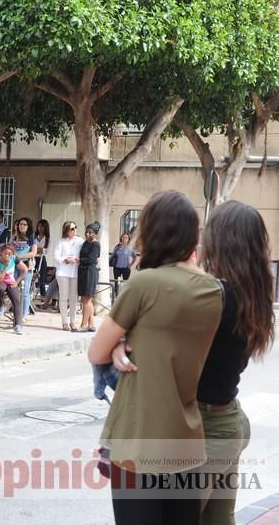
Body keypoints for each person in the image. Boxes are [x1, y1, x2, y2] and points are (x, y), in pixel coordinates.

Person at [113, 200, 275, 525]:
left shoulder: (213, 297)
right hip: (228, 421)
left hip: (205, 430)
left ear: (220, 242)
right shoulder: (250, 295)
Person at [88, 190, 224, 525]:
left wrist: (119, 344)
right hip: (187, 441)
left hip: (139, 441)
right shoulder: (213, 291)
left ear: (151, 232)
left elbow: (96, 351)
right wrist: (125, 340)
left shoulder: (144, 284)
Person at [0, 244, 28, 334]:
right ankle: (1, 304)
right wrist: (5, 267)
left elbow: (25, 269)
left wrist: (17, 282)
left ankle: (17, 324)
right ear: (1, 253)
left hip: (10, 282)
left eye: (9, 254)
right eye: (5, 253)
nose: (7, 255)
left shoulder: (14, 259)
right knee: (0, 287)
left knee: (16, 299)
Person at [54, 220, 82, 331]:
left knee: (73, 298)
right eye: (72, 229)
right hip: (63, 272)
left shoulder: (80, 241)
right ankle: (64, 322)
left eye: (75, 227)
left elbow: (84, 253)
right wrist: (65, 260)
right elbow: (56, 256)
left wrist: (79, 259)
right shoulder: (61, 241)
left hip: (75, 272)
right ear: (67, 231)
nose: (74, 230)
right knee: (64, 297)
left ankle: (73, 321)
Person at [77, 221, 101, 332]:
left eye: (90, 233)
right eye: (86, 232)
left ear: (95, 234)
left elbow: (91, 259)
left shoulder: (96, 244)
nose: (87, 234)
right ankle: (91, 324)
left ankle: (83, 325)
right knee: (86, 299)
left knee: (87, 299)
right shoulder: (86, 243)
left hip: (90, 272)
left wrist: (79, 260)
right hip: (83, 271)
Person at [12, 217, 37, 320]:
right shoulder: (14, 237)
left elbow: (33, 253)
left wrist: (19, 257)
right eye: (20, 224)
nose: (21, 226)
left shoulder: (33, 238)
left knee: (25, 292)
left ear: (28, 226)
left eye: (24, 224)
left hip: (27, 266)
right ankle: (16, 312)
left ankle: (24, 314)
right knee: (14, 290)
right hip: (14, 267)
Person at [35, 219, 51, 296]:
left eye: (42, 226)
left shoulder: (48, 238)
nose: (40, 228)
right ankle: (32, 291)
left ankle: (42, 294)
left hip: (42, 258)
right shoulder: (34, 236)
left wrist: (38, 249)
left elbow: (46, 251)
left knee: (42, 277)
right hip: (33, 258)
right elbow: (32, 248)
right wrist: (39, 249)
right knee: (32, 275)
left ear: (45, 228)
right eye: (39, 226)